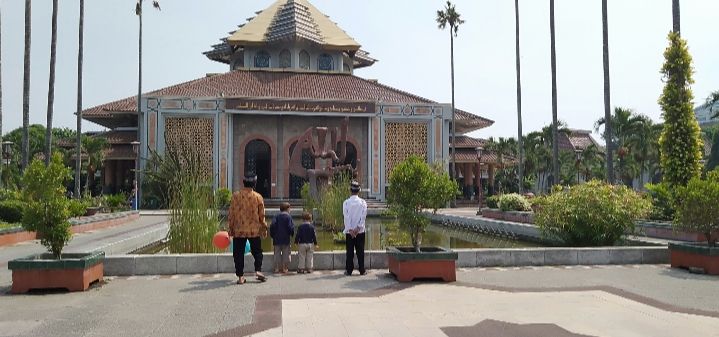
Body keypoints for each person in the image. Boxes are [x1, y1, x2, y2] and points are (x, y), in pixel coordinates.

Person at [228, 174, 268, 284]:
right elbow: (261, 215)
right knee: (257, 252)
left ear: (243, 183)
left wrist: (230, 229)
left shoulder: (235, 196)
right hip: (253, 230)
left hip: (238, 230)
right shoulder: (258, 197)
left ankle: (240, 277)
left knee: (238, 253)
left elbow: (231, 214)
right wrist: (264, 228)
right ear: (254, 184)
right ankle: (258, 270)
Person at [342, 181, 367, 276]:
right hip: (360, 232)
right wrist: (357, 228)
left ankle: (349, 270)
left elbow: (346, 217)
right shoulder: (363, 203)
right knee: (360, 251)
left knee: (350, 252)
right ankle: (362, 270)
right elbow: (363, 217)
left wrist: (351, 230)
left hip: (350, 232)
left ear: (350, 190)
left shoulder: (346, 203)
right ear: (359, 191)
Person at [270, 202, 294, 274]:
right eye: (290, 208)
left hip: (276, 238)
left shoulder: (276, 216)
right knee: (286, 253)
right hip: (286, 238)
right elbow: (290, 227)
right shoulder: (288, 217)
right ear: (287, 209)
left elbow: (272, 225)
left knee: (276, 253)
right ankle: (284, 268)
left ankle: (277, 268)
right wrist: (291, 233)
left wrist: (272, 234)